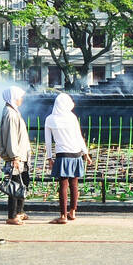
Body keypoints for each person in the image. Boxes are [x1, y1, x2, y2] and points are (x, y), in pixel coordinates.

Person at [43, 93, 92, 224]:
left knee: (63, 185)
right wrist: (86, 153)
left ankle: (63, 216)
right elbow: (79, 136)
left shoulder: (50, 119)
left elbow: (48, 142)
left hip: (62, 154)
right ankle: (73, 212)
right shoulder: (72, 117)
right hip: (76, 153)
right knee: (74, 184)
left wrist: (49, 158)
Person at [0, 85, 31, 225]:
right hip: (16, 157)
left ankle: (19, 211)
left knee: (23, 182)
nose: (21, 99)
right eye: (19, 97)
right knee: (15, 185)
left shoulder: (13, 111)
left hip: (21, 156)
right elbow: (11, 137)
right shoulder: (11, 114)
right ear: (13, 97)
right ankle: (12, 215)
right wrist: (14, 157)